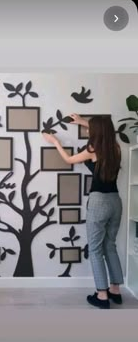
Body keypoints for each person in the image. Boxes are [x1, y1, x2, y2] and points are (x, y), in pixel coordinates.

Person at [42, 113, 124, 309]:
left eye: (89, 128)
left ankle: (101, 295)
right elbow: (103, 130)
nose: (87, 130)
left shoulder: (92, 149)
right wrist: (81, 121)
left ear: (96, 132)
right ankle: (115, 290)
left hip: (99, 202)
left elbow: (69, 160)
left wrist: (54, 141)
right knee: (110, 246)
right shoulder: (116, 148)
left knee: (95, 249)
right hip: (115, 201)